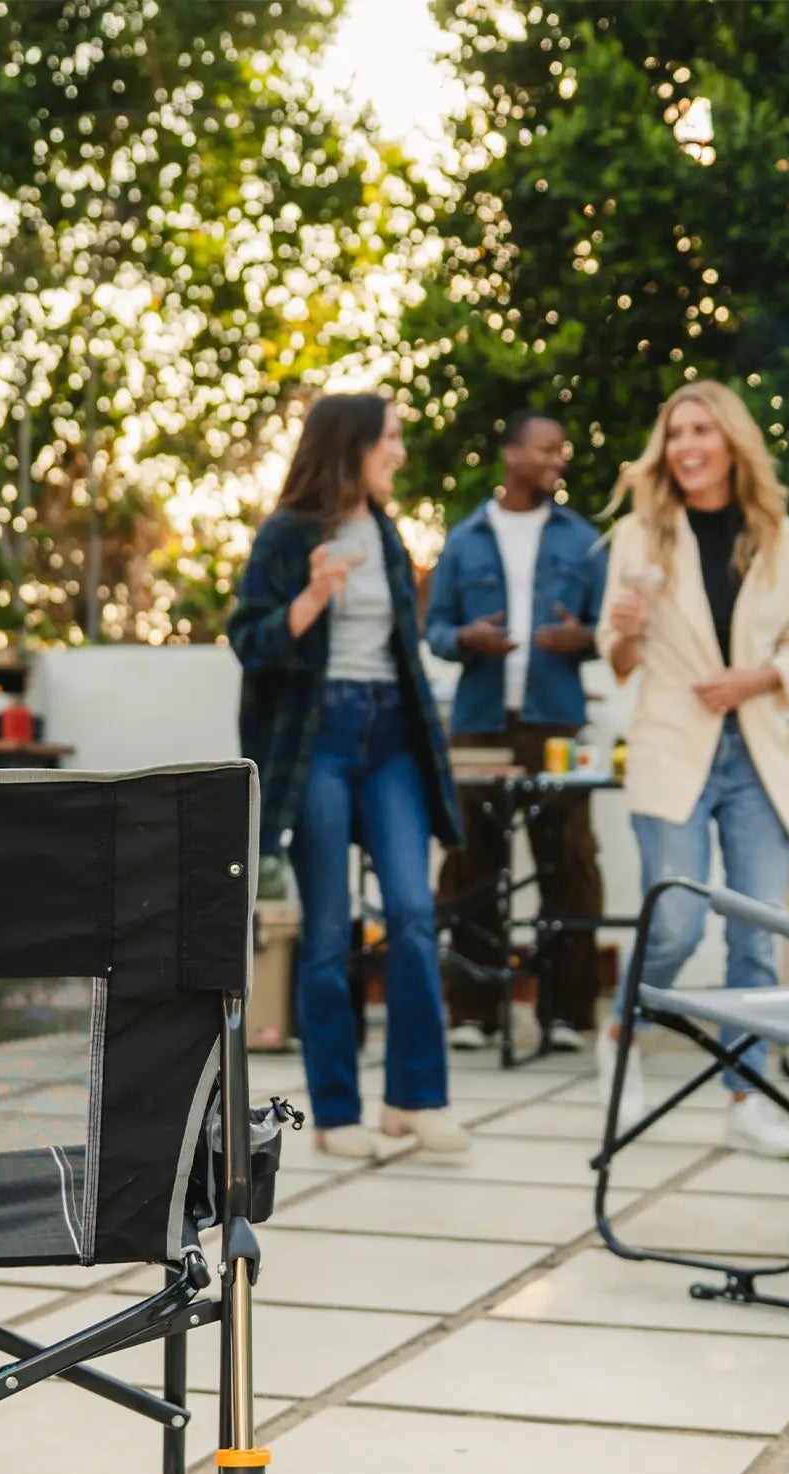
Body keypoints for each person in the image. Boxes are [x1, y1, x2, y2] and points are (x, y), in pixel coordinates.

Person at [228, 394, 471, 1157]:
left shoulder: (390, 534)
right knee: (328, 933)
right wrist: (312, 596)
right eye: (392, 439)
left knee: (412, 913)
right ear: (354, 445)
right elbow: (249, 641)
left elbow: (406, 650)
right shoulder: (286, 534)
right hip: (318, 738)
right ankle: (336, 1115)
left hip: (392, 732)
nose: (400, 452)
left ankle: (415, 1100)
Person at [594, 380, 789, 1155]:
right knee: (678, 924)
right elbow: (619, 659)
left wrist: (750, 681)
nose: (688, 444)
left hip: (754, 746)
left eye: (702, 430)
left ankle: (745, 1097)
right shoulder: (640, 534)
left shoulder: (777, 534)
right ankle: (620, 1047)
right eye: (676, 432)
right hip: (673, 743)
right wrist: (626, 629)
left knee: (756, 933)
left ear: (730, 442)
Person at [426, 410, 608, 1052]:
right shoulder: (465, 539)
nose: (557, 460)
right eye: (545, 449)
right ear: (510, 454)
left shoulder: (584, 540)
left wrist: (583, 638)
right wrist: (467, 639)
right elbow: (436, 631)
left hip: (556, 720)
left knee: (570, 862)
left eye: (563, 451)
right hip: (479, 726)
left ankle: (567, 1015)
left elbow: (610, 630)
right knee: (472, 861)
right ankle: (474, 1013)